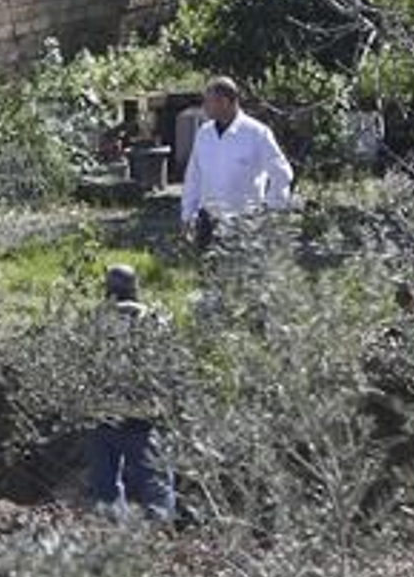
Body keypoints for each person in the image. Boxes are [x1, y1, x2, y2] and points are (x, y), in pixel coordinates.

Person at [86, 263, 175, 524]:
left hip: (103, 411)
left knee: (105, 482)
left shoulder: (95, 320)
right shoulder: (154, 319)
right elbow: (170, 364)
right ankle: (162, 534)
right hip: (143, 411)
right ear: (135, 288)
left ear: (108, 290)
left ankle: (113, 534)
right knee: (155, 478)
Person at [180, 76, 294, 250]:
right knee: (205, 274)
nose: (204, 107)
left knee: (242, 274)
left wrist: (271, 210)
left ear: (225, 101)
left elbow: (281, 173)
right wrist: (187, 215)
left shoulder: (257, 133)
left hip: (244, 223)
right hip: (207, 222)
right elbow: (193, 177)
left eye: (209, 102)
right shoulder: (204, 133)